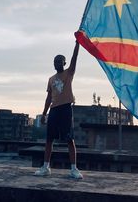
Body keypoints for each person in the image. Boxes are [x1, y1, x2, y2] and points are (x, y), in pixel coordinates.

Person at [34, 40, 83, 179]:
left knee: (69, 139)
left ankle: (74, 169)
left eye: (60, 61)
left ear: (64, 63)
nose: (57, 63)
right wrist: (44, 113)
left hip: (66, 109)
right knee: (49, 139)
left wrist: (77, 44)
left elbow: (75, 59)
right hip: (54, 110)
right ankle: (45, 167)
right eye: (55, 61)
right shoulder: (51, 79)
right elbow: (49, 97)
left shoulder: (69, 73)